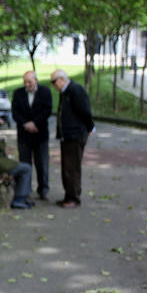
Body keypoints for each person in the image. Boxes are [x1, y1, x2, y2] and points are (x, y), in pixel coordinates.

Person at [51, 69, 95, 208]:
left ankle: (74, 198)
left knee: (72, 167)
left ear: (62, 79)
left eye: (54, 82)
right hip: (67, 135)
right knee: (67, 167)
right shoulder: (65, 92)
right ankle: (68, 196)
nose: (53, 85)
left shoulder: (75, 90)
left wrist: (90, 127)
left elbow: (85, 110)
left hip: (75, 135)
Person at [11, 70, 52, 200]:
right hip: (24, 135)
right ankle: (25, 190)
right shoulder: (18, 93)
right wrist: (26, 124)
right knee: (24, 163)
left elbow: (47, 110)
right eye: (25, 82)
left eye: (29, 81)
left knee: (42, 164)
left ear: (36, 80)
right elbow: (15, 113)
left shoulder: (45, 92)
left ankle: (43, 190)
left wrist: (35, 123)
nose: (27, 84)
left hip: (40, 134)